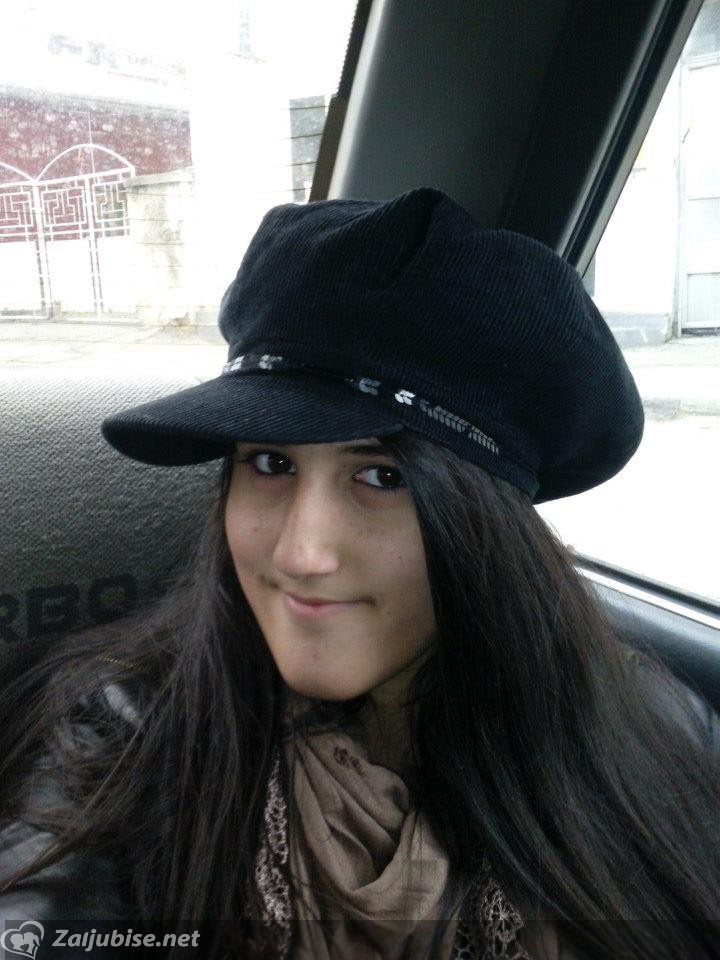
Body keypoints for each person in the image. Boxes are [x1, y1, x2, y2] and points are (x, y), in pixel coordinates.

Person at [0, 187, 718, 960]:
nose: (300, 554)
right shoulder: (125, 726)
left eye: (382, 477)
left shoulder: (651, 727)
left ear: (486, 523)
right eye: (270, 464)